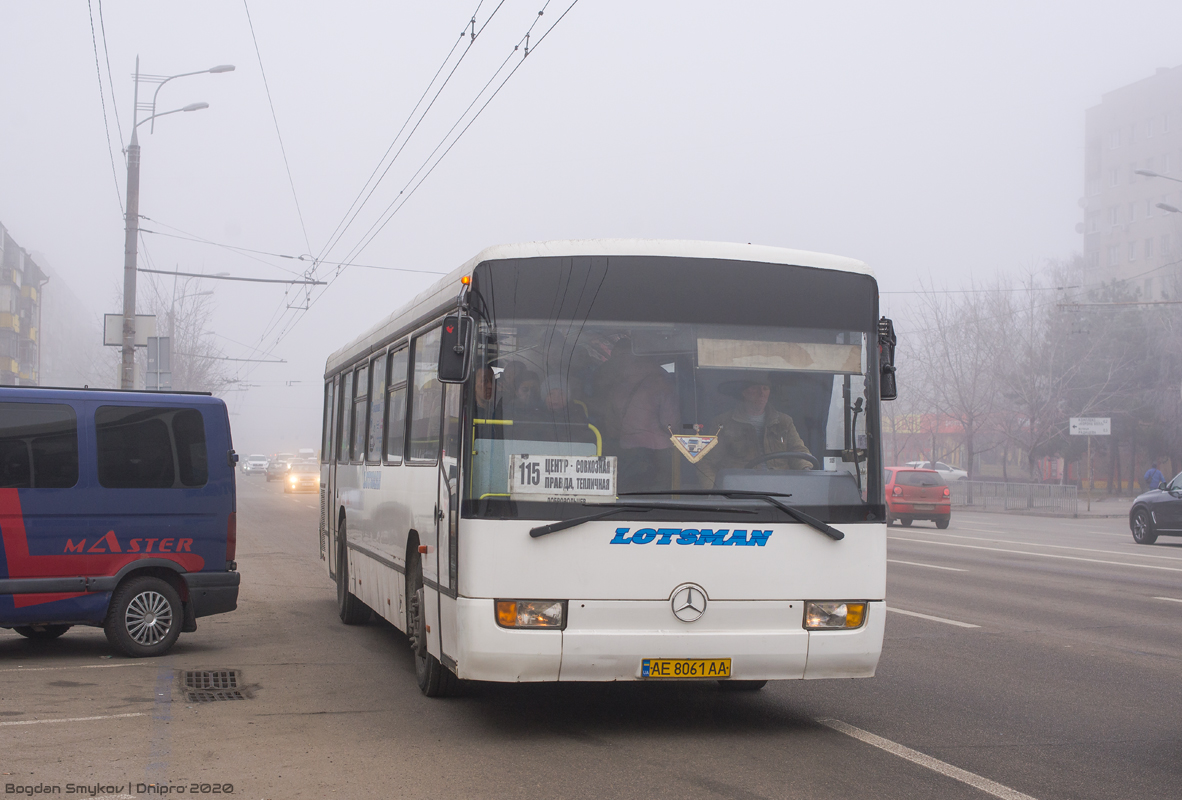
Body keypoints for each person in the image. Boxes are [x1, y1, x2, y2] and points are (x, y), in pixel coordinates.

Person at [698, 377, 813, 486]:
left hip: (780, 489)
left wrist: (806, 470)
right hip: (741, 490)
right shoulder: (723, 423)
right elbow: (707, 462)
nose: (761, 393)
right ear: (744, 392)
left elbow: (798, 451)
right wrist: (714, 492)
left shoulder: (784, 421)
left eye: (765, 388)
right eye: (755, 388)